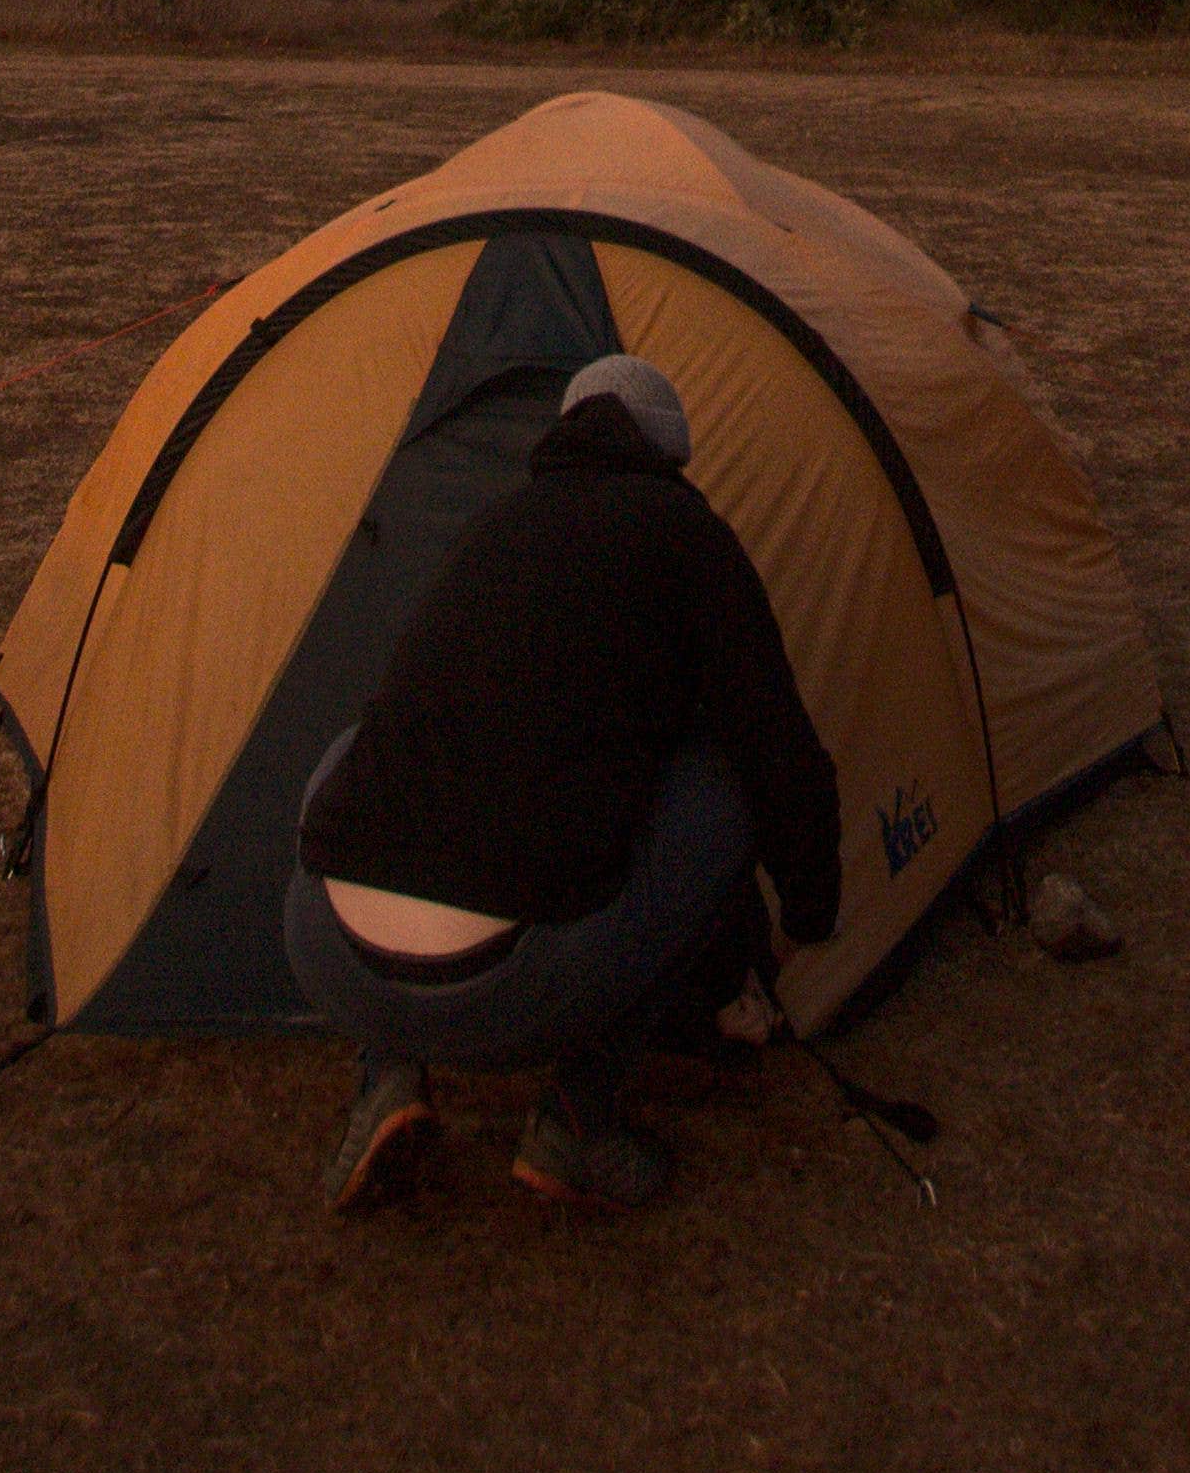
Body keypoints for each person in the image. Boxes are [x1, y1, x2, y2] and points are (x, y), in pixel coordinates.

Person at [284, 350, 842, 1218]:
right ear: (672, 456)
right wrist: (808, 919)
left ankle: (384, 1076)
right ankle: (577, 1123)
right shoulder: (685, 534)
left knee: (360, 752)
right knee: (720, 795)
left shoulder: (493, 527)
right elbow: (778, 750)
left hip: (326, 954)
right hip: (517, 990)